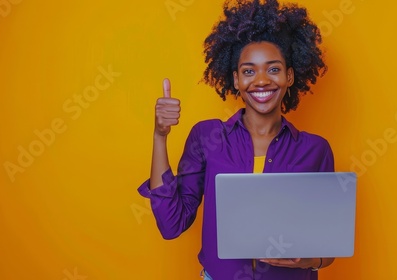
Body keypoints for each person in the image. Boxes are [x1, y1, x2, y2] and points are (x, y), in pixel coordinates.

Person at [137, 0, 335, 279]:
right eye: (249, 71)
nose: (262, 80)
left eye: (274, 69)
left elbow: (328, 247)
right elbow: (171, 224)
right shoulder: (207, 137)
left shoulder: (315, 150)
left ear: (289, 76)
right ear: (236, 79)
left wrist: (308, 260)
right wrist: (159, 136)